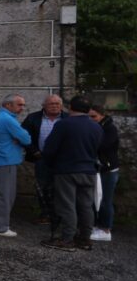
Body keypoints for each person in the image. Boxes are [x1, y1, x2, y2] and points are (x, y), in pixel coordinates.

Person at [41, 96, 102, 252]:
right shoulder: (96, 126)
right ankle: (85, 238)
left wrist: (49, 164)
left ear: (70, 107)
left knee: (67, 205)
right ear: (88, 110)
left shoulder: (64, 124)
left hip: (66, 170)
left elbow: (50, 148)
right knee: (86, 206)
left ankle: (67, 239)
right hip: (89, 170)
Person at [0, 94, 32, 238]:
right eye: (19, 105)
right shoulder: (7, 119)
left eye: (23, 105)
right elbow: (26, 139)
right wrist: (19, 138)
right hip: (6, 160)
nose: (22, 108)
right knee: (5, 196)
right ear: (8, 105)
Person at [22, 95, 65, 225]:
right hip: (41, 158)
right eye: (51, 103)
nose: (55, 106)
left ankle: (61, 215)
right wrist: (33, 151)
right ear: (44, 105)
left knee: (62, 188)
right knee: (42, 187)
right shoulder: (33, 118)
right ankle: (46, 214)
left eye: (57, 104)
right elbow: (23, 135)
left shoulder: (67, 118)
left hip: (62, 161)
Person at [89, 104, 119, 242]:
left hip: (107, 169)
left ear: (102, 115)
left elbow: (103, 145)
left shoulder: (109, 128)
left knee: (105, 200)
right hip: (99, 168)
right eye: (89, 116)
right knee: (96, 199)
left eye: (94, 116)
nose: (91, 119)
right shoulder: (99, 126)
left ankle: (106, 229)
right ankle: (98, 226)